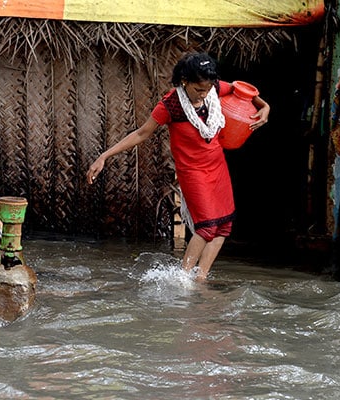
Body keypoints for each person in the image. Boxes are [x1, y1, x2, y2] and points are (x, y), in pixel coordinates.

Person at [86, 52, 270, 281]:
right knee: (206, 228)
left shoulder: (214, 89)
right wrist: (104, 156)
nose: (203, 94)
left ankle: (200, 279)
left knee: (224, 227)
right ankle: (181, 280)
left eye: (207, 89)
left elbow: (241, 90)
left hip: (217, 166)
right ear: (185, 81)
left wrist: (264, 106)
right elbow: (141, 133)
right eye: (198, 90)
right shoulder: (170, 104)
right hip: (192, 171)